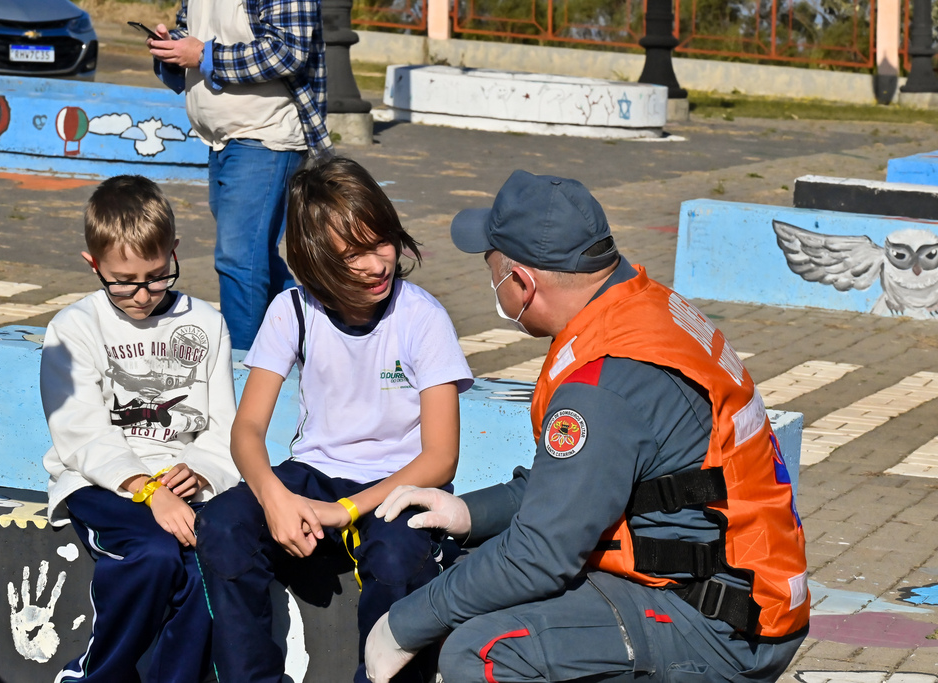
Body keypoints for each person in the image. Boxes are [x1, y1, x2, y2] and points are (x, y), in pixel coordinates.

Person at [364, 170, 810, 683]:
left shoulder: (604, 384)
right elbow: (576, 487)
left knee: (483, 651)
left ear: (522, 282)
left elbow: (538, 556)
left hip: (716, 626)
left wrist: (400, 627)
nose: (493, 284)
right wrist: (468, 511)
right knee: (473, 575)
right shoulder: (640, 310)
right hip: (732, 591)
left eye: (492, 269)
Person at [195, 157, 474, 683]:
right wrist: (277, 500)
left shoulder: (422, 317)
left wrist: (346, 510)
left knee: (396, 561)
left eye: (382, 242)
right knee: (222, 525)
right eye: (354, 254)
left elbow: (440, 457)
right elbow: (247, 430)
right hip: (312, 475)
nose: (378, 264)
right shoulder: (292, 311)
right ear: (316, 261)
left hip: (397, 486)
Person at [41, 175, 241, 683]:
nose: (143, 294)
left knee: (210, 564)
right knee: (152, 555)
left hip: (185, 484)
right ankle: (95, 675)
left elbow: (223, 429)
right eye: (124, 280)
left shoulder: (207, 322)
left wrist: (200, 474)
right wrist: (149, 491)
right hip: (103, 483)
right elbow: (82, 435)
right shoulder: (73, 328)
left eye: (157, 275)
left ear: (173, 251)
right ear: (94, 264)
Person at [147, 0, 333, 351]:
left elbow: (287, 51)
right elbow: (195, 33)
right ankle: (322, 336)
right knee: (253, 256)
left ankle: (242, 369)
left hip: (266, 133)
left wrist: (204, 55)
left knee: (238, 258)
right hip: (221, 138)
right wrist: (171, 46)